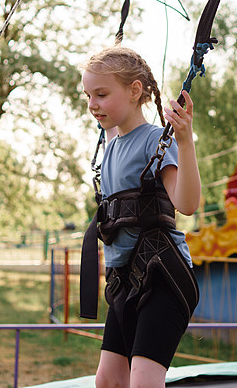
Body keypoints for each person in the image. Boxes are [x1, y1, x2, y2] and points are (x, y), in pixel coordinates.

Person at [80, 46, 201, 388]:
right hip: (124, 282)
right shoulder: (110, 143)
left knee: (144, 383)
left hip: (163, 278)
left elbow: (187, 203)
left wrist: (184, 140)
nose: (93, 104)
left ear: (135, 91)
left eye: (102, 94)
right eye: (88, 95)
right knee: (108, 381)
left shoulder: (154, 141)